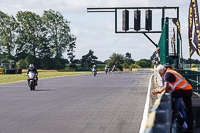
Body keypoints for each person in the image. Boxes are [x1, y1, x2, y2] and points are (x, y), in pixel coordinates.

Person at [152, 64, 193, 133]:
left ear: (161, 71)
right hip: (188, 89)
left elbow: (166, 87)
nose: (160, 74)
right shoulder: (170, 71)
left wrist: (158, 91)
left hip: (184, 90)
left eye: (160, 73)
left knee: (169, 95)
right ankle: (190, 128)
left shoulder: (167, 74)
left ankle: (175, 111)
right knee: (188, 110)